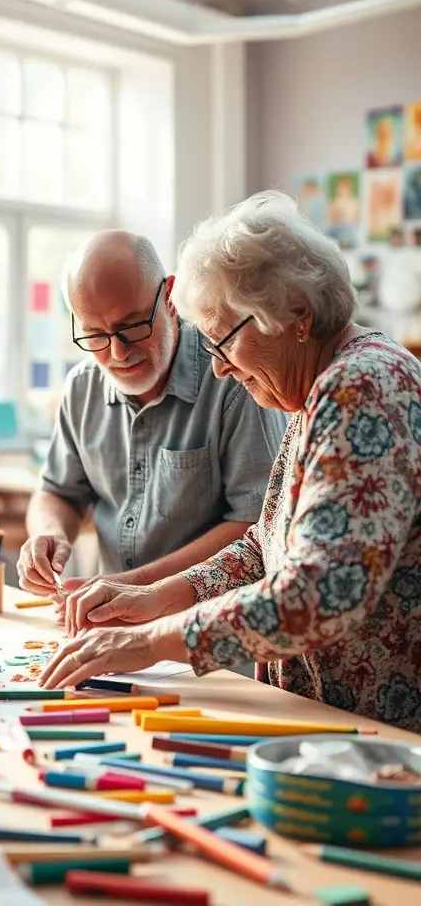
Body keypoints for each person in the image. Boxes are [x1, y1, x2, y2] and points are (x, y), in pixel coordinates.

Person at [41, 191, 421, 734]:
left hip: (379, 735)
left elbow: (313, 594)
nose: (217, 369)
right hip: (331, 722)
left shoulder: (361, 386)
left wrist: (147, 642)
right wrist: (155, 598)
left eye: (224, 341)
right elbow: (264, 545)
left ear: (297, 317)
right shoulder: (321, 384)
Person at [17, 230, 287, 605]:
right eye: (94, 335)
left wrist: (135, 586)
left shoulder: (233, 379)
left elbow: (256, 526)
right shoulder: (82, 387)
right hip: (115, 623)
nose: (117, 352)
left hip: (210, 630)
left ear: (170, 298)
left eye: (131, 327)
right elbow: (59, 492)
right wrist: (49, 534)